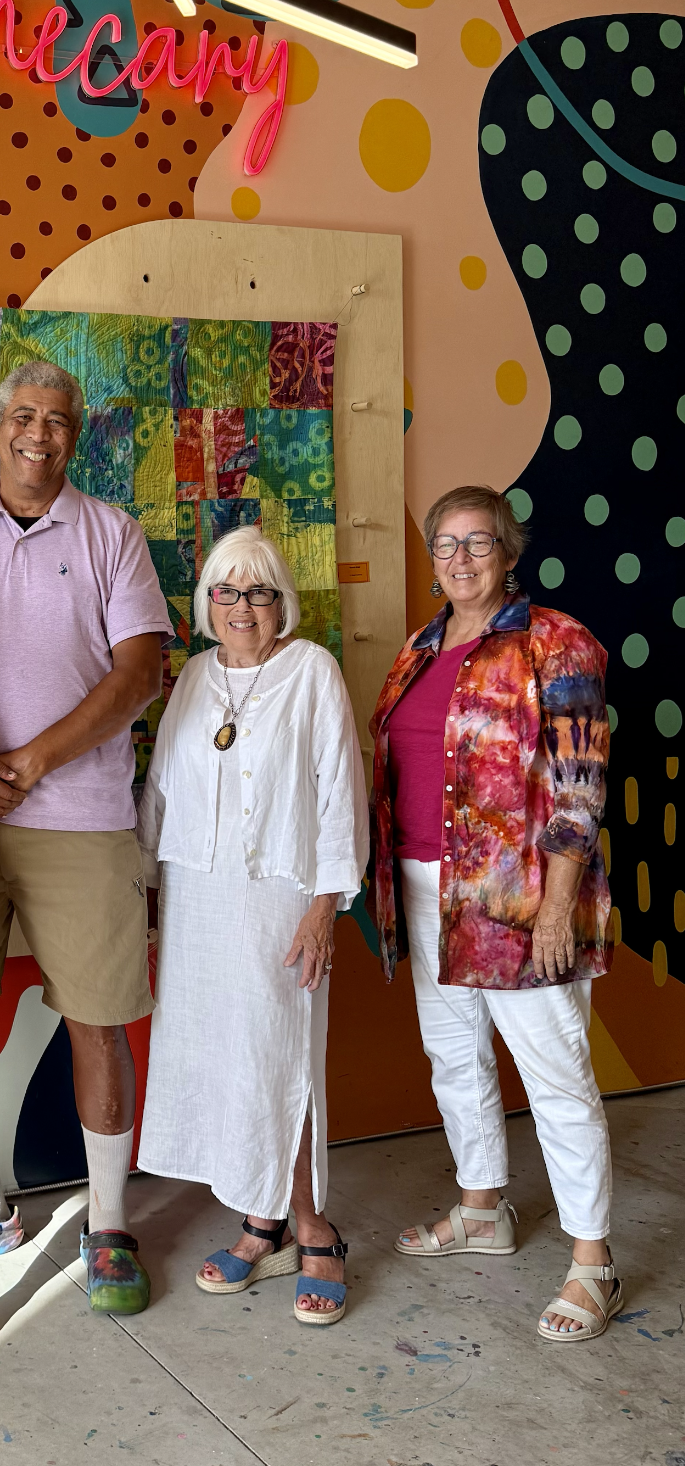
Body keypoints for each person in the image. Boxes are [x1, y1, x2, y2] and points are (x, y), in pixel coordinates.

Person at [0, 359, 172, 1314]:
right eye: (23, 415)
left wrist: (32, 760)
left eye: (56, 419)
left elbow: (140, 675)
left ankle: (109, 1224)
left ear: (73, 435)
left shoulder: (112, 534)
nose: (38, 434)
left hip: (82, 818)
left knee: (99, 1019)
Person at [369, 485, 620, 1342]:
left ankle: (593, 1264)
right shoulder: (418, 648)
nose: (461, 558)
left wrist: (556, 910)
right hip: (424, 886)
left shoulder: (557, 641)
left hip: (519, 900)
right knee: (455, 1058)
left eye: (479, 542)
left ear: (509, 551)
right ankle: (482, 1209)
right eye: (446, 543)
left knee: (556, 1076)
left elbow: (581, 789)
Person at [135, 526, 367, 1325]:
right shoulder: (195, 678)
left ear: (282, 603)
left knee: (279, 1054)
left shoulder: (312, 672)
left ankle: (314, 1224)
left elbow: (340, 792)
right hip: (197, 898)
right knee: (227, 1059)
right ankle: (262, 1223)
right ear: (208, 603)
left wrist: (324, 905)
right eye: (226, 592)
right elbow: (161, 789)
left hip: (281, 895)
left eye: (259, 591)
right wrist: (146, 890)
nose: (242, 606)